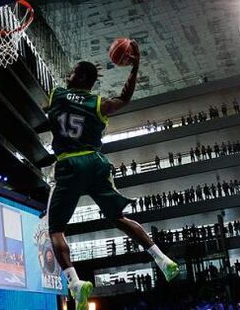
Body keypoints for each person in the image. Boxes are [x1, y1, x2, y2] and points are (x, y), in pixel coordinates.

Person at [46, 43, 179, 309]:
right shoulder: (99, 104)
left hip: (69, 165)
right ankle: (162, 259)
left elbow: (48, 108)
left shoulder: (58, 95)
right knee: (118, 218)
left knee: (55, 230)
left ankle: (75, 283)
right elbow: (125, 98)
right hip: (95, 163)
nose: (68, 75)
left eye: (72, 72)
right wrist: (135, 66)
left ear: (80, 78)